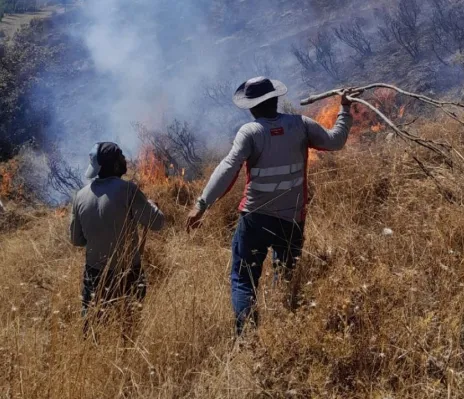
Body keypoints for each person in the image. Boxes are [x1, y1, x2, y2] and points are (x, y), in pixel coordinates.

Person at [186, 76, 356, 334]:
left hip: (255, 219)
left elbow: (228, 168)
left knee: (244, 281)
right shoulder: (301, 125)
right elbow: (335, 141)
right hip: (292, 219)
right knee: (285, 276)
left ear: (252, 107)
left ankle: (247, 339)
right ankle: (282, 329)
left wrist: (202, 204)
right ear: (275, 100)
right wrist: (345, 109)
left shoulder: (251, 132)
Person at [70, 142, 165, 323]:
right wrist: (152, 205)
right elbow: (157, 223)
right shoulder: (128, 190)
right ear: (114, 165)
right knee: (128, 326)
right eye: (121, 156)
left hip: (94, 274)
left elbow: (76, 240)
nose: (125, 160)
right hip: (128, 273)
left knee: (94, 325)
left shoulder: (80, 196)